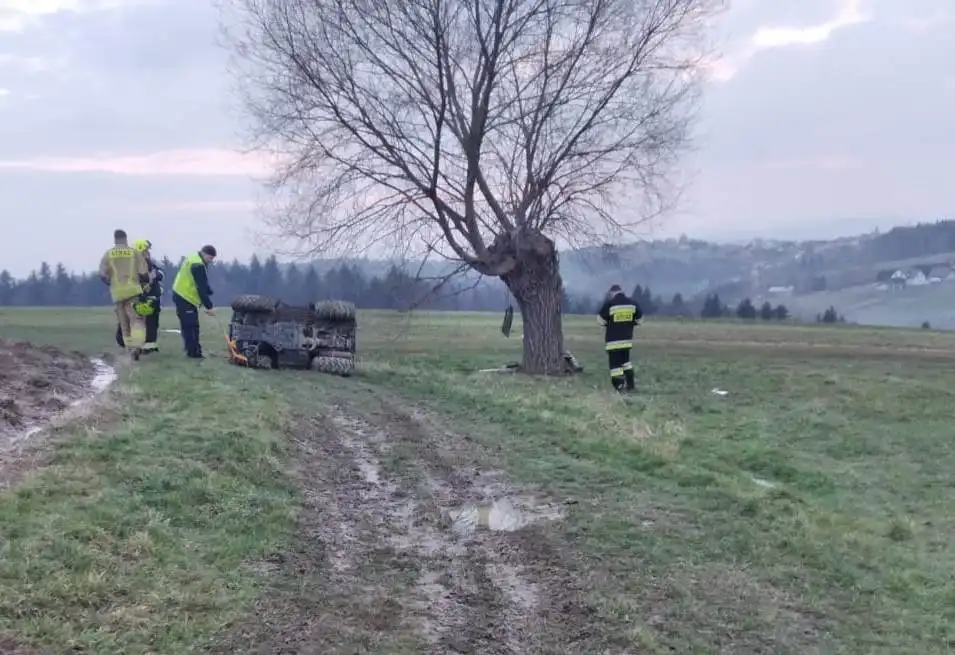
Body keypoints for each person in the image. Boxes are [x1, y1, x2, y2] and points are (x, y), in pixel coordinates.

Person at [99, 228, 150, 361]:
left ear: (115, 239)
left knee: (124, 323)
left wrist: (111, 283)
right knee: (136, 320)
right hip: (133, 290)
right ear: (126, 238)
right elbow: (144, 273)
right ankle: (137, 346)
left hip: (117, 292)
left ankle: (129, 349)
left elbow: (103, 275)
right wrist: (144, 284)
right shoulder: (134, 253)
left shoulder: (108, 254)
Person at [114, 239, 164, 354]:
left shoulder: (149, 263)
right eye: (146, 251)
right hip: (134, 298)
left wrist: (157, 276)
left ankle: (148, 346)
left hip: (151, 297)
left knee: (152, 322)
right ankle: (126, 342)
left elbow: (160, 273)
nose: (148, 253)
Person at [171, 245, 217, 359]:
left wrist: (209, 290)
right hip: (185, 296)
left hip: (180, 293)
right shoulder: (198, 265)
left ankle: (191, 349)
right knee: (191, 326)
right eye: (210, 258)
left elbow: (201, 282)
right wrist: (209, 307)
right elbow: (200, 287)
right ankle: (194, 353)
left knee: (189, 325)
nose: (211, 261)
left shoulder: (194, 258)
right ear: (205, 254)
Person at [597, 284, 642, 392]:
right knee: (626, 363)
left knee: (615, 367)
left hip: (613, 341)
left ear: (612, 293)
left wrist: (611, 324)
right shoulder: (633, 304)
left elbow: (600, 320)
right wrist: (629, 324)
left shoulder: (610, 304)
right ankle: (631, 386)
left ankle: (619, 387)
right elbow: (639, 320)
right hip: (626, 341)